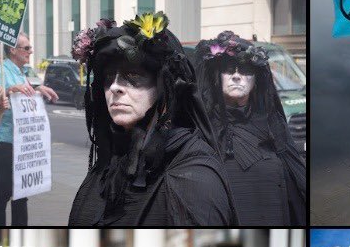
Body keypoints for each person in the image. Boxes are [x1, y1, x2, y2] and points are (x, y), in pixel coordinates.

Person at [68, 13, 237, 225]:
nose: (115, 87)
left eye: (133, 76)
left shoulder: (193, 177)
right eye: (109, 78)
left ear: (165, 87)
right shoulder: (107, 165)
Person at [194, 30, 306, 225]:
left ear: (256, 79)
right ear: (216, 76)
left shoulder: (273, 129)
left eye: (245, 70)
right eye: (229, 69)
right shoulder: (201, 131)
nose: (237, 76)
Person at [0, 33, 58, 226]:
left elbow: (25, 95)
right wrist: (9, 91)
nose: (31, 51)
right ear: (13, 50)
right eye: (26, 48)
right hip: (5, 142)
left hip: (23, 145)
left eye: (30, 47)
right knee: (1, 197)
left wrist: (39, 90)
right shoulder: (1, 71)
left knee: (22, 196)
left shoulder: (20, 72)